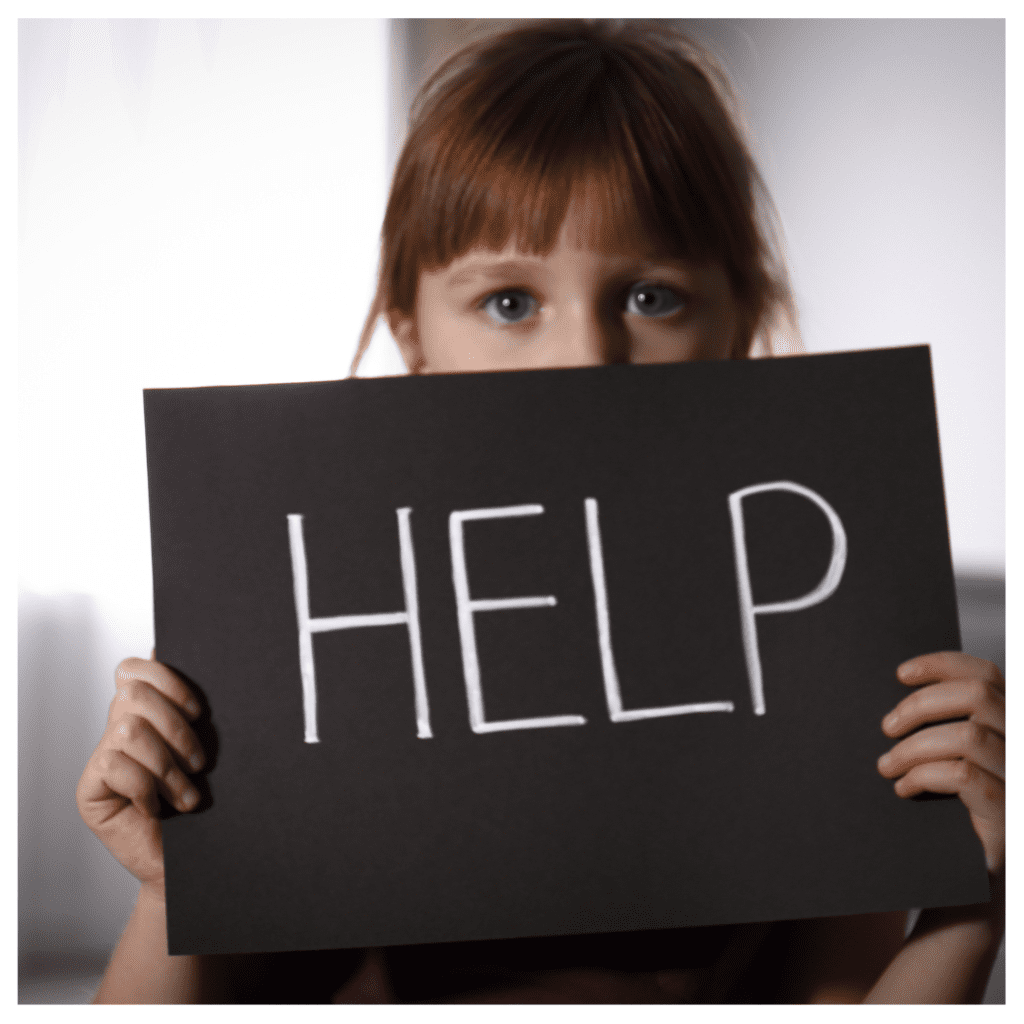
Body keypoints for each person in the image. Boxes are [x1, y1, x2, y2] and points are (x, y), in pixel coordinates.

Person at [76, 20, 1005, 1003]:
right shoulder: (308, 628)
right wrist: (180, 889)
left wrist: (975, 891)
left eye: (651, 295)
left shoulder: (807, 656)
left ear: (737, 321)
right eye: (510, 303)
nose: (584, 358)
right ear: (413, 332)